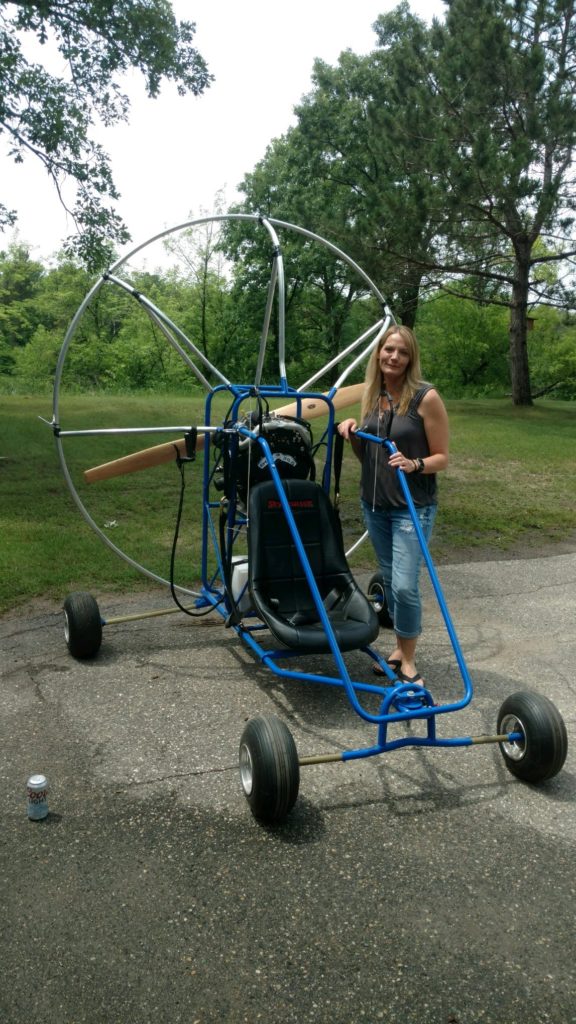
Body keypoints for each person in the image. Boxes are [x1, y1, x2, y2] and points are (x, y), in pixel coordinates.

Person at [338, 324, 449, 684]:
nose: (394, 357)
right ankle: (400, 648)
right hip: (375, 505)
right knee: (390, 579)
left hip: (411, 506)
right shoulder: (373, 394)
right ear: (378, 353)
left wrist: (415, 464)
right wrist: (353, 431)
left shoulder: (424, 397)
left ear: (410, 358)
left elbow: (442, 457)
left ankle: (409, 659)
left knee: (403, 585)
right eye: (389, 349)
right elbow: (368, 456)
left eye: (402, 352)